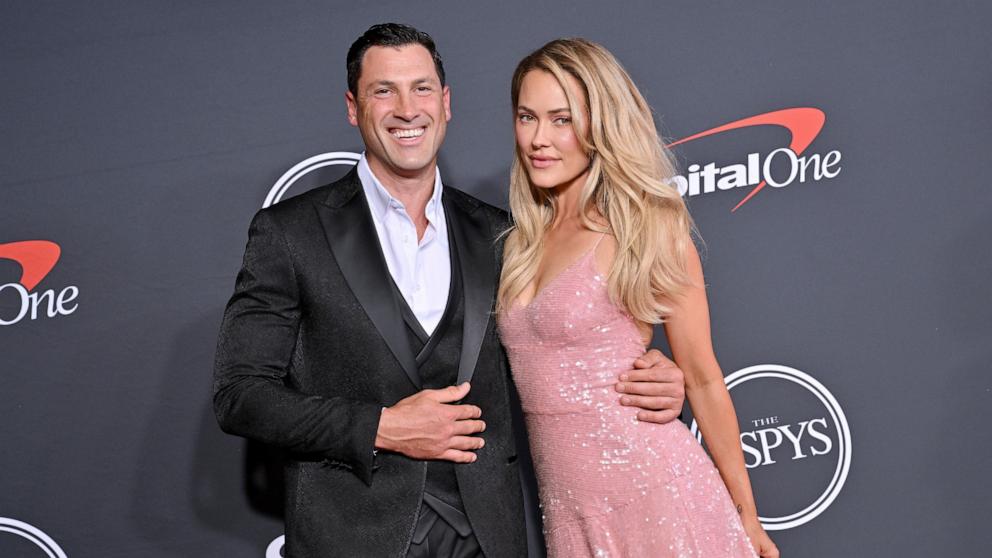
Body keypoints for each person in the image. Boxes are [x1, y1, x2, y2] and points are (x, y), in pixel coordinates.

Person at [214, 24, 687, 557]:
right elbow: (240, 397)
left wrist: (654, 375)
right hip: (353, 535)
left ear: (445, 102)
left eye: (420, 88)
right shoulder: (291, 232)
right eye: (382, 91)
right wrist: (382, 427)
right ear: (353, 107)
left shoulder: (503, 234)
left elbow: (555, 349)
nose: (405, 109)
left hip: (486, 535)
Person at [497, 38, 780, 557]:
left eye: (562, 120)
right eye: (527, 116)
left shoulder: (647, 230)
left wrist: (746, 514)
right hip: (569, 512)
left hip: (655, 493)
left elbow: (701, 376)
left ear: (599, 124)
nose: (539, 138)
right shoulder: (517, 239)